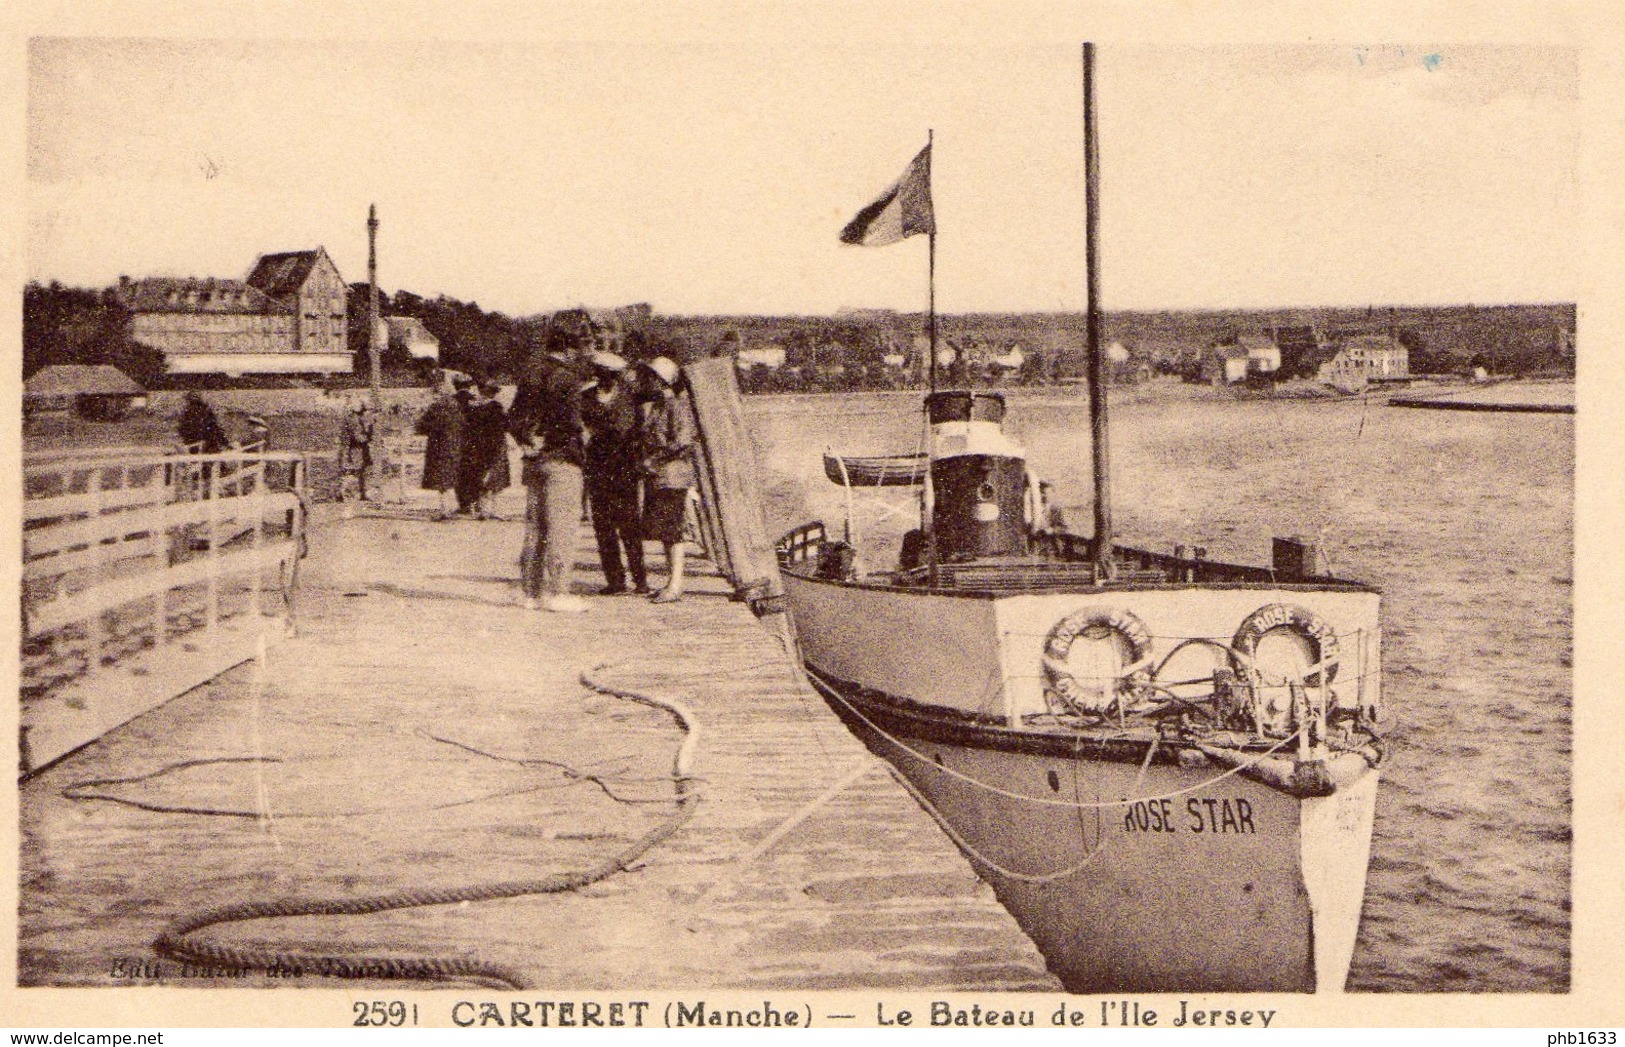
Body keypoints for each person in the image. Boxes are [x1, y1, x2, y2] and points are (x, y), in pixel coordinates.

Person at [509, 329, 592, 613]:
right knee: (562, 527)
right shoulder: (568, 378)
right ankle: (558, 592)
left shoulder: (530, 375)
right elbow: (569, 421)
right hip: (562, 459)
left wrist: (528, 441)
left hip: (534, 460)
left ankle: (529, 592)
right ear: (569, 349)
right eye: (580, 347)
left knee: (535, 527)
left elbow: (513, 419)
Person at [581, 351, 648, 595]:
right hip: (598, 466)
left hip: (624, 466)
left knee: (630, 524)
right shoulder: (586, 398)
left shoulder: (631, 398)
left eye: (608, 374)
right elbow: (582, 428)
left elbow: (639, 430)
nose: (603, 378)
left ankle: (640, 580)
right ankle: (615, 580)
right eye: (599, 373)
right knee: (603, 525)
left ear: (616, 375)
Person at [636, 356, 696, 604]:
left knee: (673, 531)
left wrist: (654, 460)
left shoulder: (677, 405)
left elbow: (682, 442)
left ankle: (676, 584)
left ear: (661, 380)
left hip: (672, 476)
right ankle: (672, 582)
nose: (646, 382)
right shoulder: (659, 406)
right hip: (659, 477)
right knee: (666, 532)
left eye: (650, 378)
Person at [416, 373, 468, 518]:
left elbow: (421, 426)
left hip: (439, 446)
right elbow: (463, 424)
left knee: (441, 480)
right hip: (456, 445)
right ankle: (452, 507)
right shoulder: (456, 406)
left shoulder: (436, 407)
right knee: (451, 477)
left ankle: (444, 508)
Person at [475, 381, 512, 519]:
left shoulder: (478, 408)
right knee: (497, 478)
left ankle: (483, 510)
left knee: (483, 475)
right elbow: (507, 425)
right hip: (497, 444)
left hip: (481, 445)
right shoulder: (497, 407)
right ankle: (496, 510)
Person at [339, 397, 376, 502]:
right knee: (354, 470)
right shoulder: (353, 419)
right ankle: (344, 493)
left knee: (363, 470)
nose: (365, 412)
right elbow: (357, 437)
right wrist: (368, 437)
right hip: (356, 448)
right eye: (364, 410)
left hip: (361, 448)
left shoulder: (359, 418)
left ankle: (362, 493)